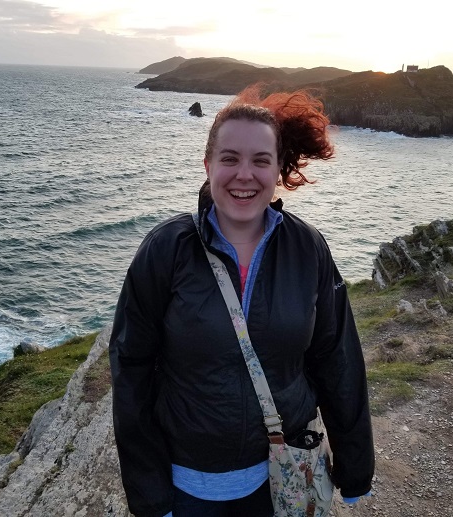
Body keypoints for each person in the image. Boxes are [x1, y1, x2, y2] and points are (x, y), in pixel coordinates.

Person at [109, 85, 374, 517]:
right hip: (187, 486)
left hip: (283, 475)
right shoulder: (165, 250)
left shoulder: (308, 249)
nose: (244, 175)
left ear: (276, 169)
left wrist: (356, 465)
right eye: (229, 158)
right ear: (208, 164)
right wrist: (149, 493)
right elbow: (131, 369)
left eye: (260, 160)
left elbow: (337, 360)